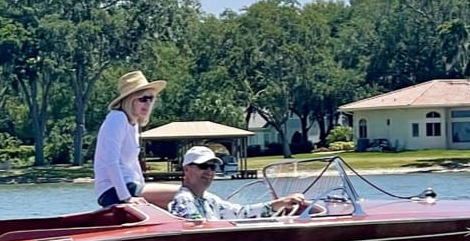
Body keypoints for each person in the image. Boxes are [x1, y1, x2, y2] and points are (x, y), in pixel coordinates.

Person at [93, 70, 174, 207]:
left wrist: (144, 188)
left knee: (179, 200)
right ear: (130, 100)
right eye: (143, 99)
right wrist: (126, 198)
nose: (147, 104)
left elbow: (134, 164)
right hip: (113, 190)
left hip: (131, 186)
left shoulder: (133, 123)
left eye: (151, 98)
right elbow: (111, 162)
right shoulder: (117, 118)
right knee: (182, 193)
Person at [167, 146, 311, 220]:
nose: (209, 172)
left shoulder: (209, 199)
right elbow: (197, 231)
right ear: (186, 169)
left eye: (213, 167)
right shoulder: (184, 200)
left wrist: (278, 204)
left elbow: (240, 213)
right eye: (204, 166)